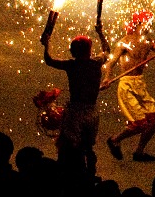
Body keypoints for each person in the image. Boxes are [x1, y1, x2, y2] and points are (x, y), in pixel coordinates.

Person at [40, 17, 111, 182]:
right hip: (92, 112)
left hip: (76, 112)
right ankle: (90, 174)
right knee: (88, 146)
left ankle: (73, 176)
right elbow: (107, 50)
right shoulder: (96, 62)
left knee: (71, 146)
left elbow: (49, 60)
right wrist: (100, 32)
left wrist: (47, 44)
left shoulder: (72, 65)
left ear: (74, 52)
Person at [101, 10, 155, 162]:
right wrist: (107, 78)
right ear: (139, 24)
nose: (149, 25)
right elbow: (110, 64)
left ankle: (139, 152)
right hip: (126, 84)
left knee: (154, 122)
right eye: (147, 22)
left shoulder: (148, 42)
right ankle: (115, 140)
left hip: (140, 83)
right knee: (139, 124)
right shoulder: (124, 42)